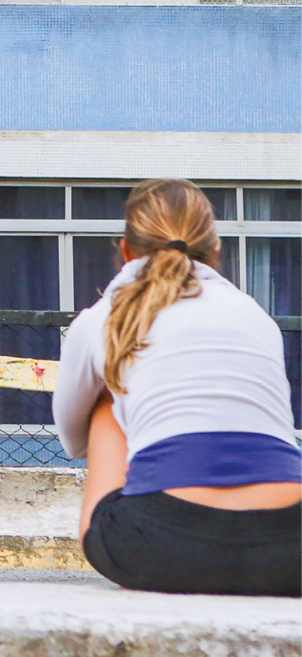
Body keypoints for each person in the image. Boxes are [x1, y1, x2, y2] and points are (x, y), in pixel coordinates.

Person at [53, 179, 302, 596]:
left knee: (103, 402)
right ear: (215, 251)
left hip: (162, 547)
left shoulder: (101, 319)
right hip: (289, 549)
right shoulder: (257, 317)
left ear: (125, 249)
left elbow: (72, 438)